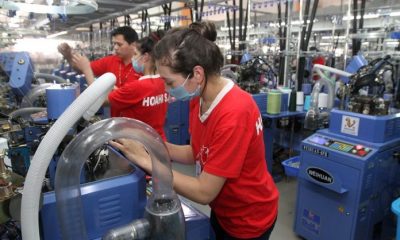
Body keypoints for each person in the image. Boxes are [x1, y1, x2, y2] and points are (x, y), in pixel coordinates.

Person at [111, 29, 279, 239]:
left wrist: (147, 161)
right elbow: (196, 152)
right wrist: (150, 144)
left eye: (169, 82)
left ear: (197, 74)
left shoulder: (234, 113)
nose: (165, 88)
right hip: (223, 210)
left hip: (248, 218)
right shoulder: (198, 97)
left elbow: (204, 191)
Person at [71, 30, 168, 140]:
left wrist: (86, 68)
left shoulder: (137, 87)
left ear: (145, 57)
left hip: (136, 145)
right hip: (157, 141)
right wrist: (120, 91)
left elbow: (98, 99)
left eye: (135, 54)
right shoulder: (163, 82)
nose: (133, 58)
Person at [58, 26, 142, 117]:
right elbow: (82, 68)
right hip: (117, 123)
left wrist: (86, 69)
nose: (115, 48)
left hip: (136, 124)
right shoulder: (110, 61)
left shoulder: (141, 67)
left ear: (133, 45)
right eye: (114, 44)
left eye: (119, 44)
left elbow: (87, 70)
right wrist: (68, 56)